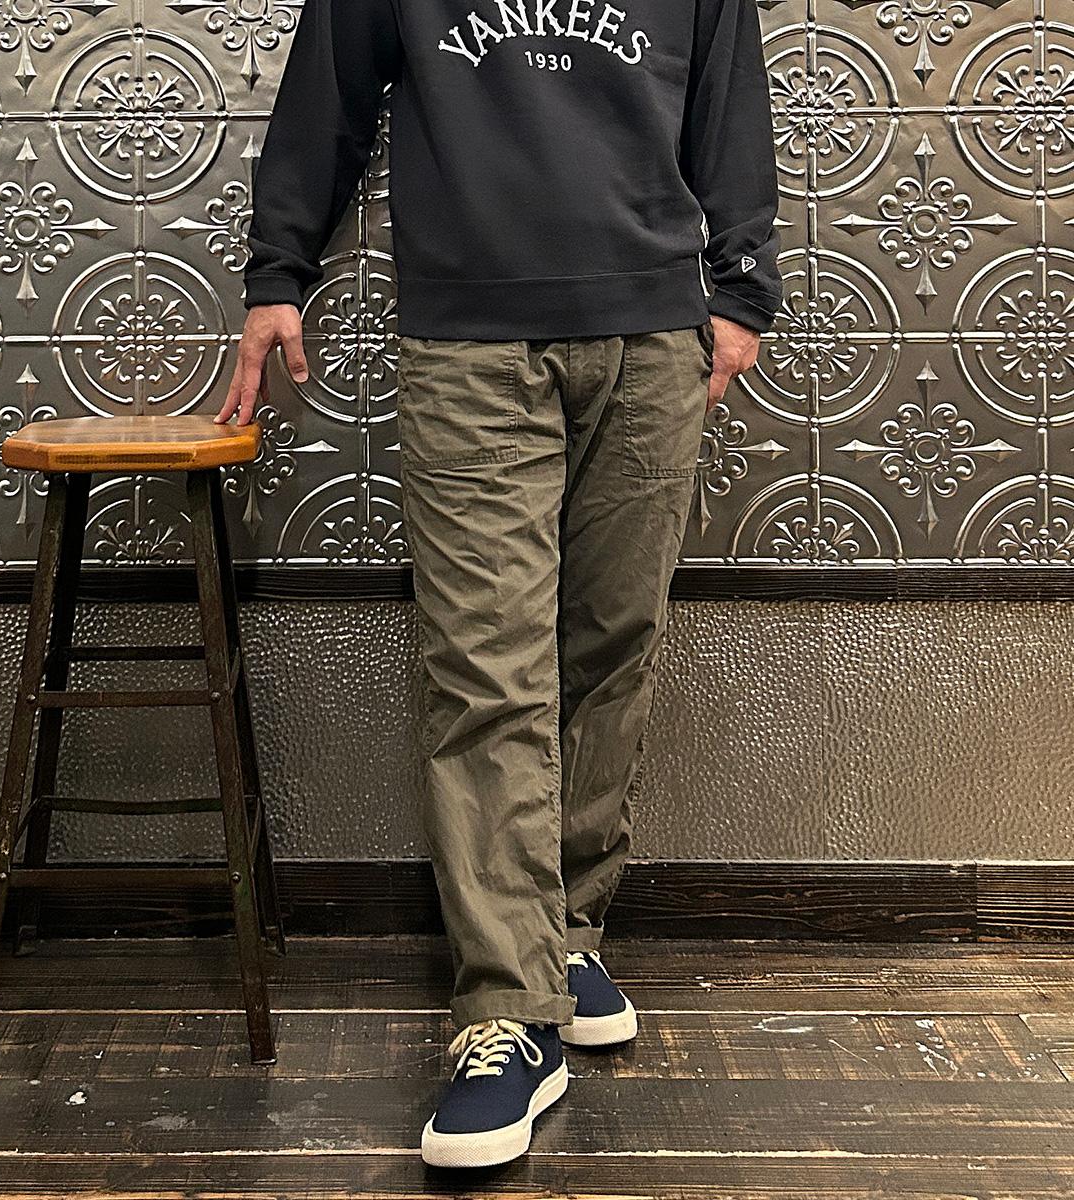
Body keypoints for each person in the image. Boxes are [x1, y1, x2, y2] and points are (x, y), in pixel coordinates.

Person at [217, 0, 782, 1170]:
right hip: (468, 343)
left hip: (652, 336)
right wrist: (279, 272)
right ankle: (507, 1013)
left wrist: (741, 293)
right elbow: (324, 104)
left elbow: (730, 109)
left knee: (611, 647)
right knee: (486, 666)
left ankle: (563, 935)